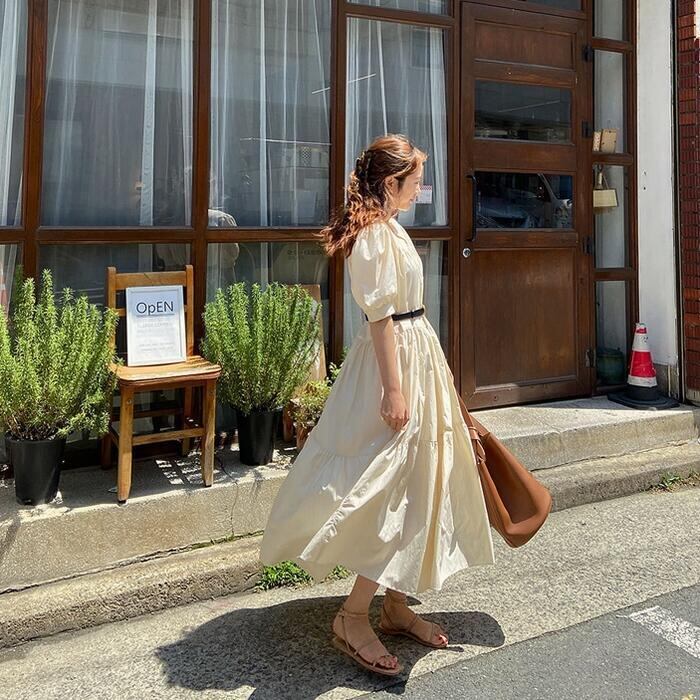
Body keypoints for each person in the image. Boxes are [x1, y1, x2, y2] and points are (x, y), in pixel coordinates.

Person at [260, 134, 495, 676]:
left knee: (419, 479)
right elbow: (381, 318)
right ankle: (352, 615)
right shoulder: (371, 236)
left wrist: (431, 375)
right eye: (415, 181)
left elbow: (405, 316)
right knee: (388, 485)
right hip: (393, 366)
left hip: (415, 356)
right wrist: (394, 389)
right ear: (391, 183)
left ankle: (393, 604)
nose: (420, 190)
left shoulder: (388, 227)